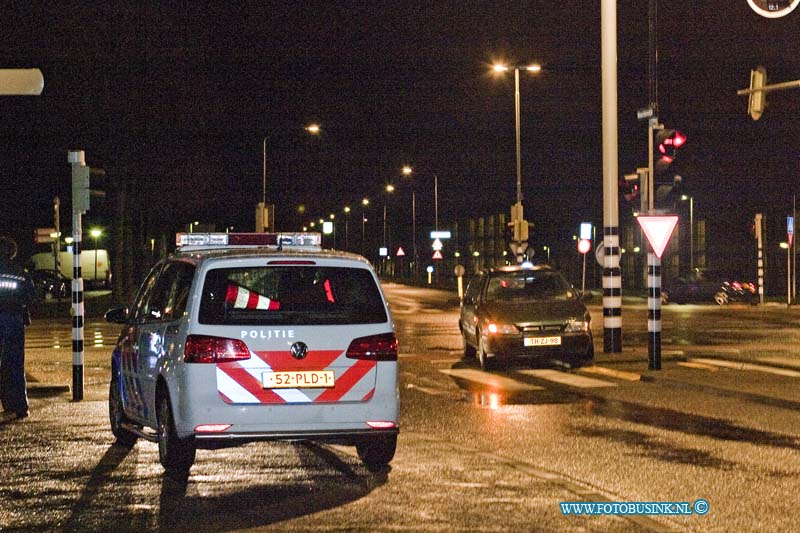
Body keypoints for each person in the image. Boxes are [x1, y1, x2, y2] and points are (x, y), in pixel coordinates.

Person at [0, 236, 35, 423]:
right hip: (14, 321)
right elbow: (31, 295)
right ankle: (20, 407)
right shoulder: (20, 272)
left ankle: (8, 405)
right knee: (15, 365)